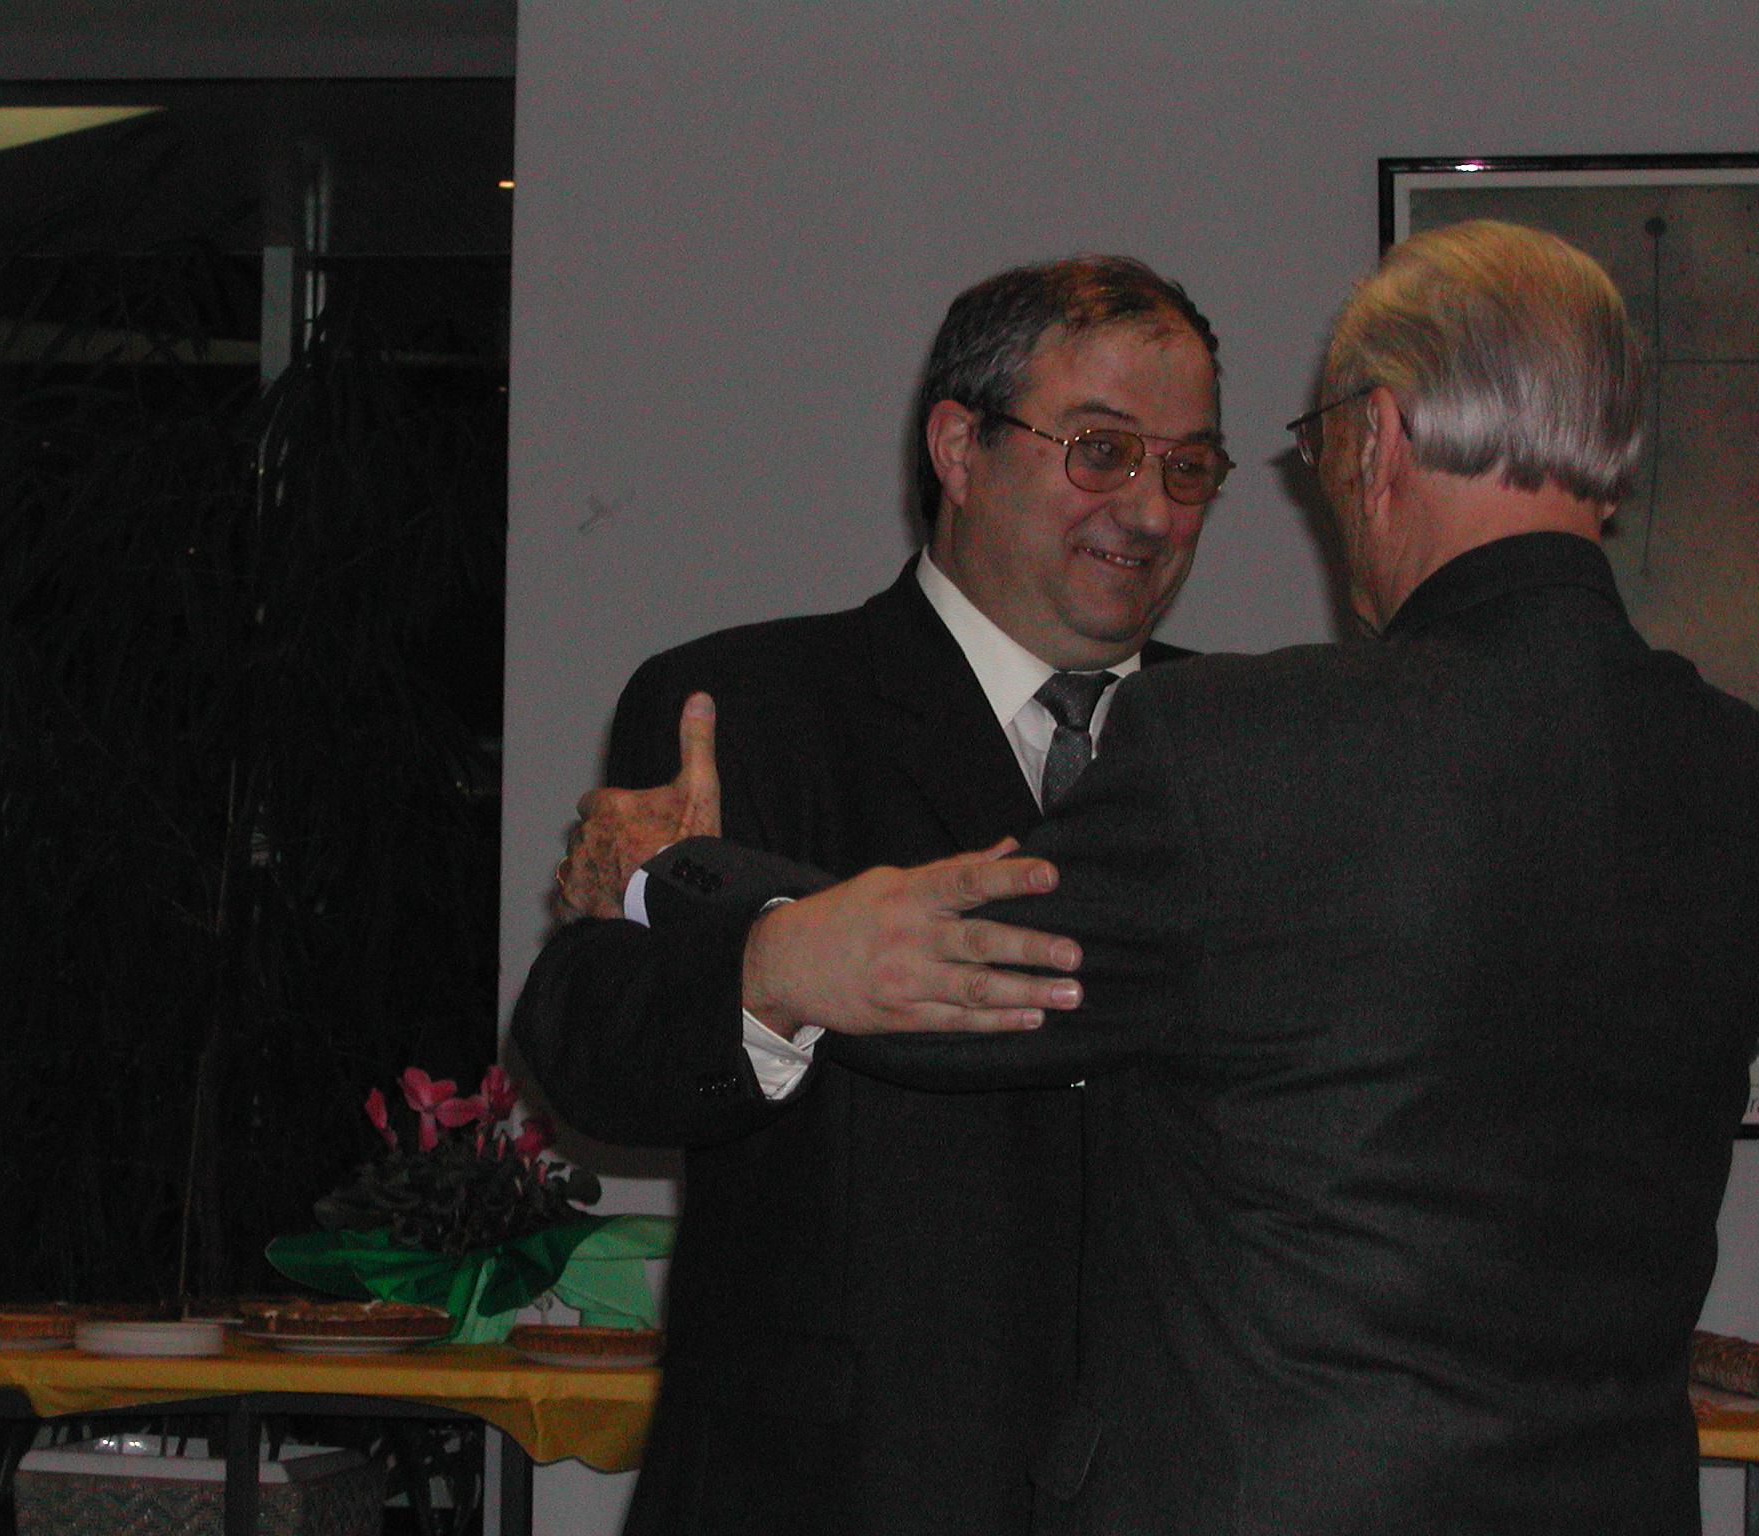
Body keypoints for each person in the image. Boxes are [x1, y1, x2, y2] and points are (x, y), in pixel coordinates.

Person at [715, 220, 1759, 1533]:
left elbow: (948, 989)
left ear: (1378, 437)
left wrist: (685, 881)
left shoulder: (1253, 745)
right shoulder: (1731, 771)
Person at [512, 255, 1232, 1534]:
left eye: (1187, 468)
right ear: (958, 446)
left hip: (1170, 1492)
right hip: (836, 1489)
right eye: (1102, 451)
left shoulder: (1245, 744)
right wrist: (772, 969)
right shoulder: (744, 709)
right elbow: (590, 1050)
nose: (1149, 509)